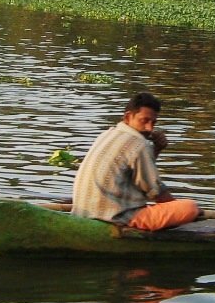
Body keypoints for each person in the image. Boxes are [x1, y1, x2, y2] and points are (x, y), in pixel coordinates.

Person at [72, 92, 201, 231]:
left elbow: (136, 175)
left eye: (153, 123)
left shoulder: (108, 133)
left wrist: (156, 149)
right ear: (128, 117)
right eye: (144, 121)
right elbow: (155, 191)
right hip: (117, 217)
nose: (149, 128)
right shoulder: (139, 144)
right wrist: (178, 212)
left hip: (85, 213)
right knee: (190, 207)